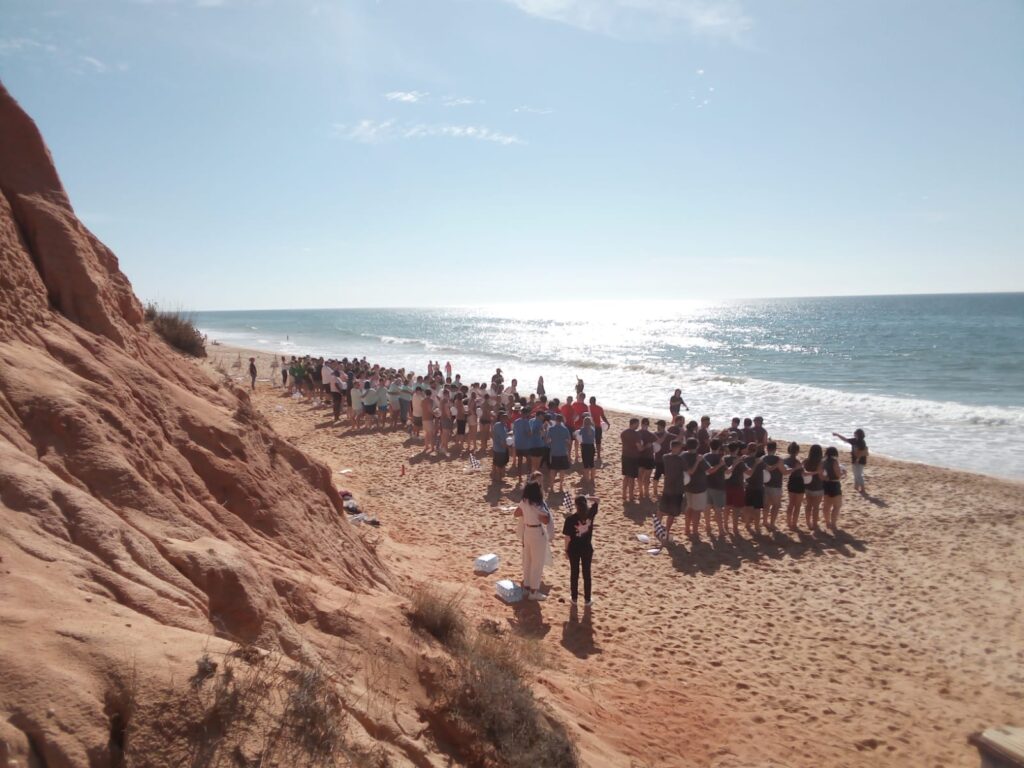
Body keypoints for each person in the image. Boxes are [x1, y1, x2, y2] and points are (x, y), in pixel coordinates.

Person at [514, 481, 551, 601]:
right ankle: (534, 591)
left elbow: (516, 513)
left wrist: (526, 513)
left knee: (527, 560)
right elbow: (546, 520)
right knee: (537, 563)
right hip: (537, 533)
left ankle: (526, 587)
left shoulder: (524, 502)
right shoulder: (539, 505)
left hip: (527, 532)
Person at [563, 495, 598, 606]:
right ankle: (587, 599)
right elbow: (598, 500)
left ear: (576, 505)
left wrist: (566, 550)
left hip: (574, 549)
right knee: (586, 573)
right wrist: (588, 497)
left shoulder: (570, 519)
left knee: (574, 573)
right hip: (587, 548)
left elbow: (567, 538)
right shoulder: (590, 515)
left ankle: (574, 598)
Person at [659, 439, 686, 541]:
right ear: (676, 448)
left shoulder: (665, 457)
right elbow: (689, 471)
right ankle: (667, 531)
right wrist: (697, 461)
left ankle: (658, 528)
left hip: (667, 487)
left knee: (661, 510)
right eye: (680, 447)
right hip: (677, 489)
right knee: (672, 513)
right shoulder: (681, 460)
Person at [832, 429, 868, 493]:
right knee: (856, 474)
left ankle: (863, 489)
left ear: (858, 434)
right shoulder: (854, 440)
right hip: (855, 460)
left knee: (859, 475)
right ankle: (856, 487)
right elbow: (845, 439)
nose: (854, 434)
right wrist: (837, 435)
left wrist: (857, 459)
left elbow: (862, 452)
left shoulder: (861, 442)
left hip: (860, 460)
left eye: (855, 433)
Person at [762, 441, 785, 530]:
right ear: (775, 449)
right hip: (776, 485)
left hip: (765, 485)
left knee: (766, 505)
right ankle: (772, 523)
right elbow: (784, 472)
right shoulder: (779, 459)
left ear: (766, 448)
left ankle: (764, 521)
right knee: (775, 506)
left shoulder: (762, 458)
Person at [546, 414, 572, 493]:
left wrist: (552, 442)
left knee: (552, 470)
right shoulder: (565, 429)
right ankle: (560, 486)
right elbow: (569, 441)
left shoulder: (551, 429)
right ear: (562, 420)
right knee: (562, 470)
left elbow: (547, 440)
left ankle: (551, 487)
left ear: (556, 420)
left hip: (554, 452)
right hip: (563, 451)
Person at [803, 444, 825, 530]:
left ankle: (808, 522)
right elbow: (821, 476)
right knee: (816, 507)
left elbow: (802, 470)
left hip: (808, 486)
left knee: (808, 505)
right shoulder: (821, 463)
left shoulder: (806, 461)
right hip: (818, 487)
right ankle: (815, 524)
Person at [784, 442, 805, 531]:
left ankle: (789, 522)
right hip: (799, 482)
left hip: (791, 481)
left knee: (791, 504)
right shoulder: (798, 461)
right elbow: (803, 473)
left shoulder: (785, 460)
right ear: (797, 451)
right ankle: (794, 523)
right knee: (797, 505)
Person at [620, 417, 642, 503]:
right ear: (634, 424)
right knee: (632, 477)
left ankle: (624, 494)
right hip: (633, 456)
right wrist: (645, 447)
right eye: (637, 424)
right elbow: (639, 448)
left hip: (625, 455)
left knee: (626, 476)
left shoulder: (623, 433)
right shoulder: (636, 434)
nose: (638, 426)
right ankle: (631, 496)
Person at [822, 446, 844, 531]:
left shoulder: (823, 461)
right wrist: (843, 473)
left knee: (826, 505)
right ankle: (833, 524)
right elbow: (838, 474)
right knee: (836, 506)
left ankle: (827, 522)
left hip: (825, 484)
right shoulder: (834, 462)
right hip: (834, 484)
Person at [576, 415, 597, 485]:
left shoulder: (583, 429)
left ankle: (587, 480)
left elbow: (578, 434)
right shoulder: (593, 429)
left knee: (585, 464)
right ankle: (592, 479)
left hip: (585, 446)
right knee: (592, 463)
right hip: (591, 446)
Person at [589, 396, 610, 461]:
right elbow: (603, 417)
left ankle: (591, 455)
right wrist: (608, 423)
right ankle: (598, 455)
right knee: (598, 441)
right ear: (595, 401)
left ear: (590, 401)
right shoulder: (599, 408)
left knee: (591, 441)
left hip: (590, 427)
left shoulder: (588, 408)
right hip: (598, 427)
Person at [491, 415, 509, 480]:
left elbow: (492, 433)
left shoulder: (497, 424)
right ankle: (499, 477)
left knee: (495, 462)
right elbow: (503, 442)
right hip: (501, 449)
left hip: (495, 447)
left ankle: (494, 475)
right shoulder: (502, 429)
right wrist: (508, 446)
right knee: (500, 464)